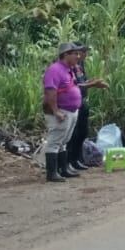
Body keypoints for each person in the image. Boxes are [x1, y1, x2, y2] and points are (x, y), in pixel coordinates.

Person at [41, 42, 84, 183]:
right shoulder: (55, 70)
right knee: (54, 141)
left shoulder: (69, 69)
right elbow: (50, 92)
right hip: (61, 111)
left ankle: (63, 169)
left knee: (63, 141)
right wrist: (56, 111)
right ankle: (52, 172)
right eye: (75, 54)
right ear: (66, 55)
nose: (78, 56)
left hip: (71, 110)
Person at [65, 44, 109, 171]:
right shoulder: (69, 67)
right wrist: (92, 84)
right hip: (73, 103)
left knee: (82, 133)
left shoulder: (80, 65)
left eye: (85, 51)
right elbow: (73, 86)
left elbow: (83, 81)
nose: (84, 54)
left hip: (83, 101)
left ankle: (77, 160)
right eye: (81, 51)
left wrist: (92, 82)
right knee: (73, 134)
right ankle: (68, 162)